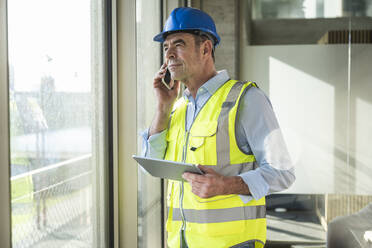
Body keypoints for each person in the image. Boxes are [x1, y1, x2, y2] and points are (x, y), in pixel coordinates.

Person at [141, 7, 295, 248]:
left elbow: (283, 172)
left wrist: (226, 185)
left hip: (233, 243)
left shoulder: (246, 99)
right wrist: (162, 108)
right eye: (165, 47)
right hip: (181, 242)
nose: (169, 54)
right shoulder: (177, 106)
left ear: (205, 49)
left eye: (178, 44)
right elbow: (152, 164)